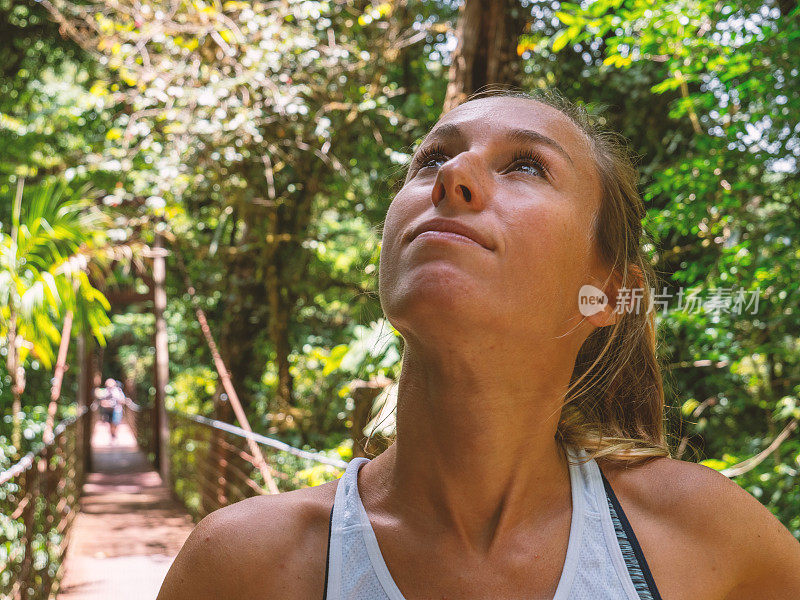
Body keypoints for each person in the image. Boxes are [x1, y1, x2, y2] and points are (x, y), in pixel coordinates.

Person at [157, 90, 800, 599]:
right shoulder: (242, 567)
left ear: (604, 293)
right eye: (431, 159)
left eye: (526, 165)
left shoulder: (702, 536)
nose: (453, 175)